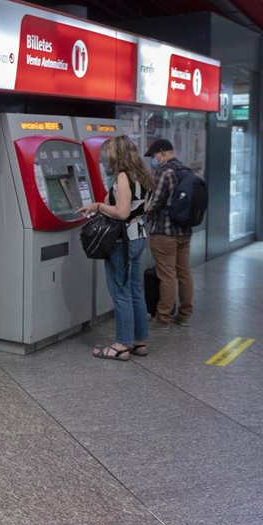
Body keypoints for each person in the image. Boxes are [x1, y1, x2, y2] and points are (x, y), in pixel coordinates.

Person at [79, 136, 153, 360]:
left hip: (122, 241)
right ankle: (139, 341)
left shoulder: (123, 177)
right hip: (138, 236)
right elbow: (144, 209)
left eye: (109, 152)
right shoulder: (142, 176)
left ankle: (122, 344)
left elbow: (121, 212)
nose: (105, 157)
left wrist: (99, 206)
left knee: (120, 293)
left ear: (117, 154)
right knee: (135, 291)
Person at [144, 138, 195, 329]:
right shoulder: (186, 171)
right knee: (184, 274)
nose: (154, 160)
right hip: (184, 232)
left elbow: (154, 203)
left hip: (164, 233)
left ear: (163, 153)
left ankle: (163, 317)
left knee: (166, 276)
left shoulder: (164, 172)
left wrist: (144, 211)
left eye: (154, 156)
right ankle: (184, 316)